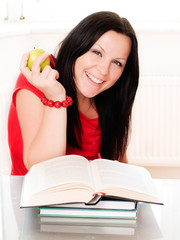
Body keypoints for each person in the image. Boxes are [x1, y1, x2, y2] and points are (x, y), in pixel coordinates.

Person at [8, 11, 139, 175]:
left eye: (117, 63)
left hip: (83, 198)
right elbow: (42, 169)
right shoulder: (40, 78)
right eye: (97, 52)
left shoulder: (109, 100)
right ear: (77, 46)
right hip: (32, 197)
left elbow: (118, 166)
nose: (104, 70)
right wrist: (55, 97)